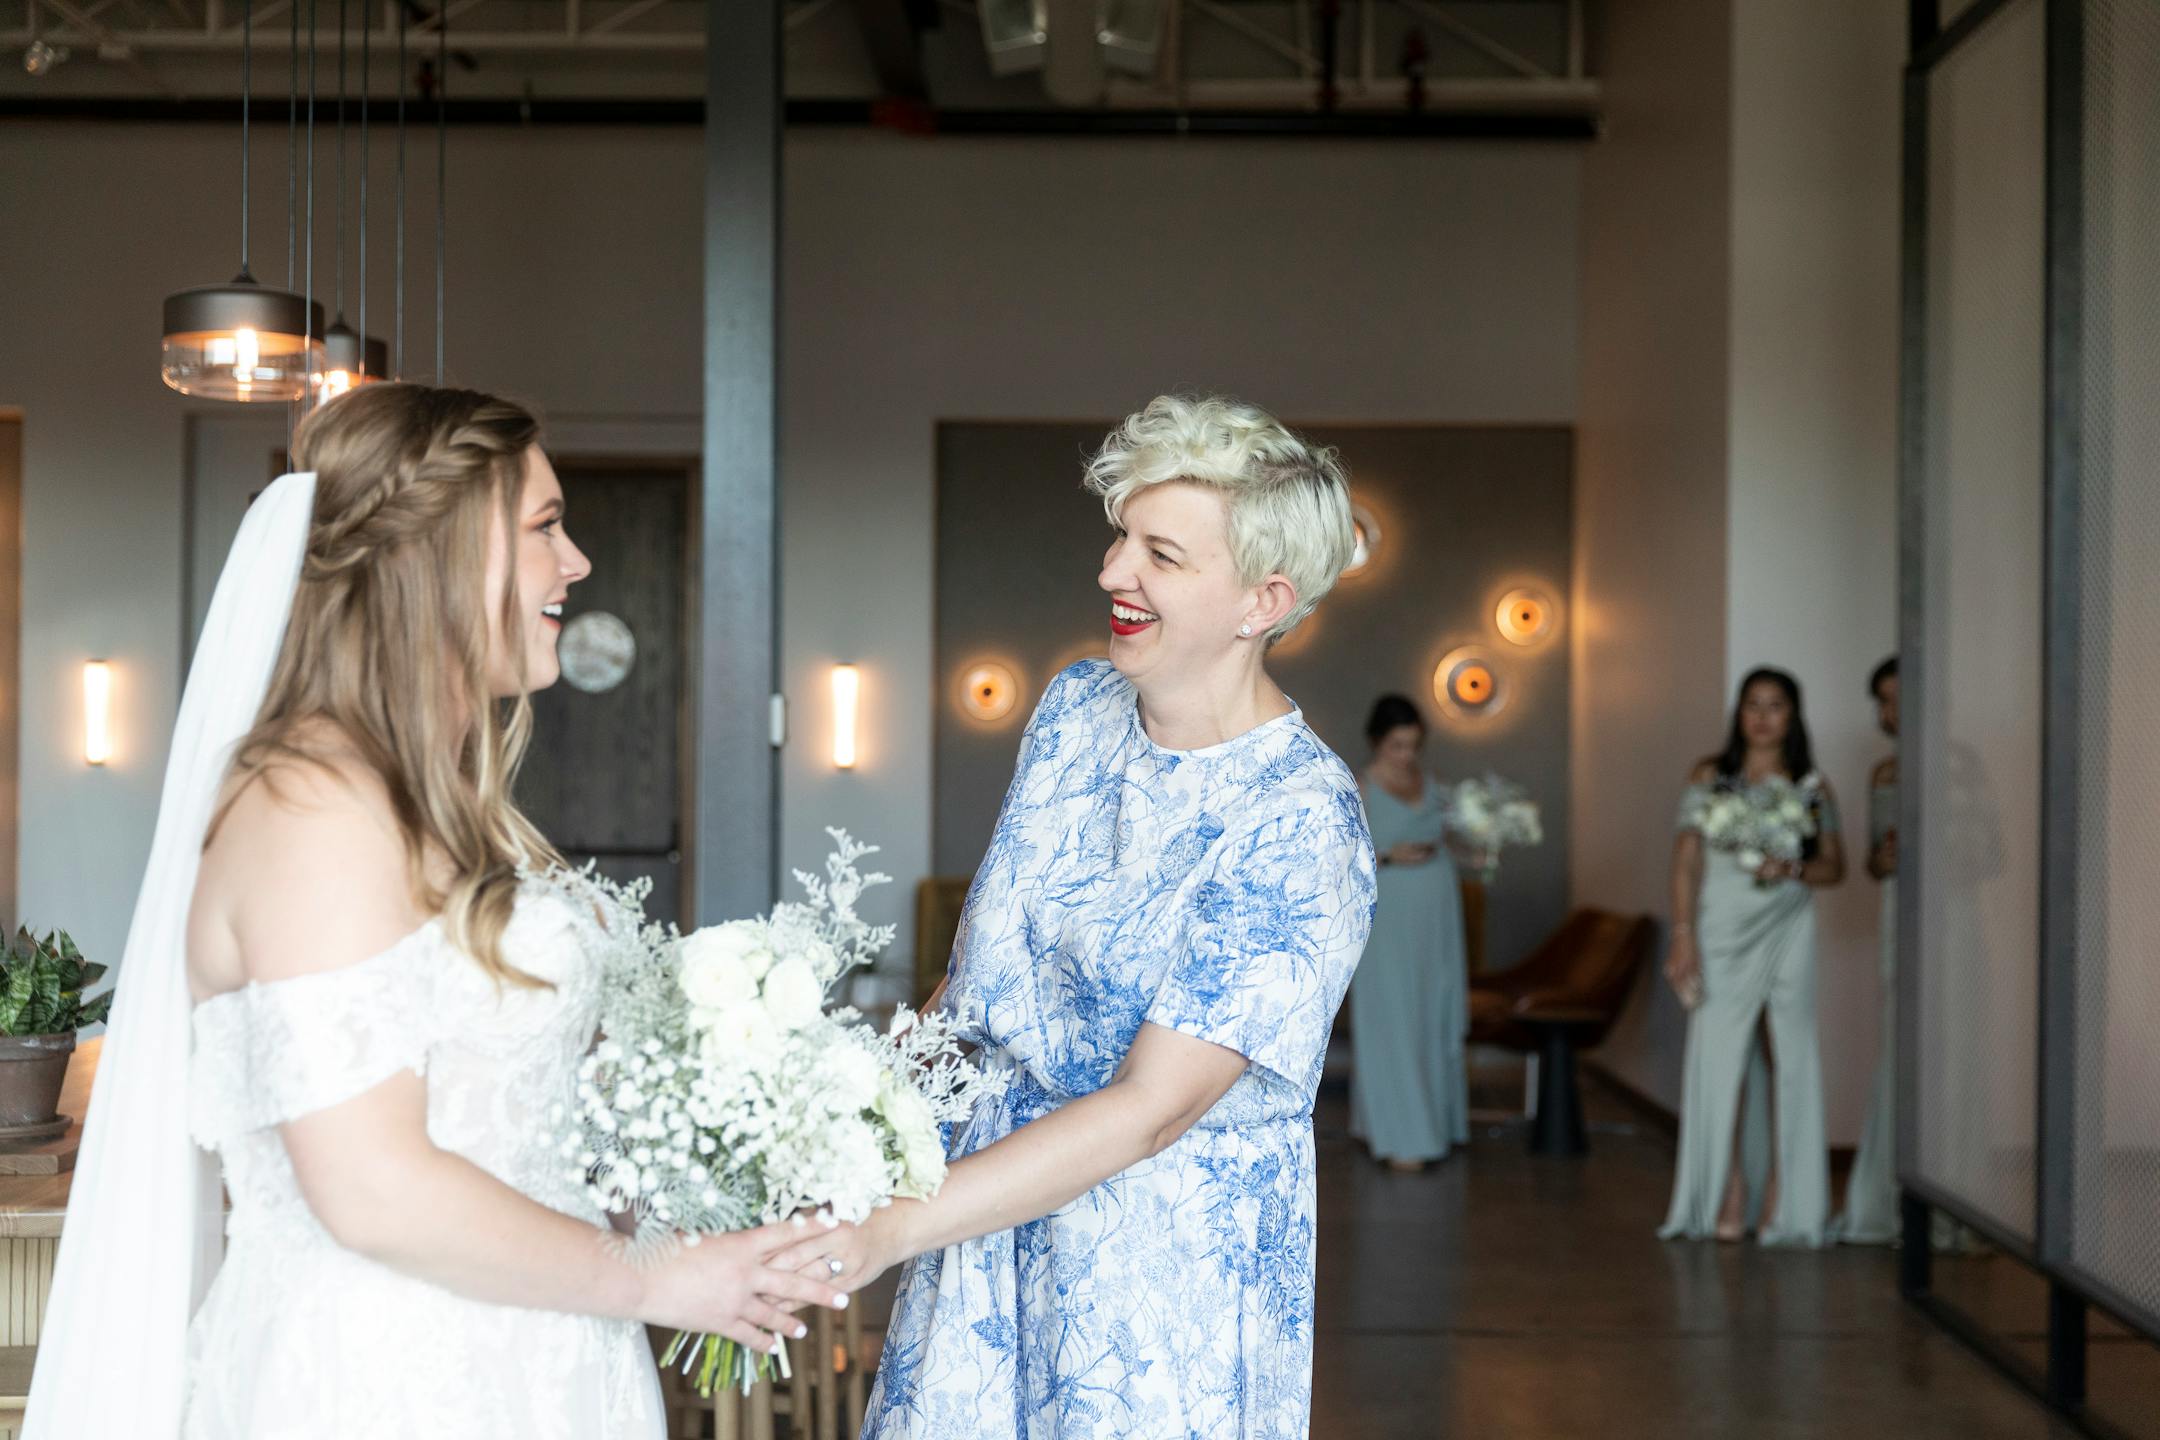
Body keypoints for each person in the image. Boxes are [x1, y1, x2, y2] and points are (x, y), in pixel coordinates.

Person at [25, 385, 842, 1439]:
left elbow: (501, 1107)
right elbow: (369, 1187)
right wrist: (660, 1281)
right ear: (444, 552)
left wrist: (691, 1177)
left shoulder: (453, 810)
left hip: (542, 1362)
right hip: (386, 1381)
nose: (577, 562)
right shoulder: (309, 805)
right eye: (546, 526)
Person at [772, 395, 1375, 1438]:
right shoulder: (1073, 713)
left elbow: (1155, 1108)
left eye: (1161, 554)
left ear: (1261, 601)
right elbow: (973, 987)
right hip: (983, 1222)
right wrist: (841, 1144)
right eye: (1118, 537)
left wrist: (883, 1231)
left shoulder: (1300, 820)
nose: (1112, 573)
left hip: (1156, 1276)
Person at [1659, 667, 1845, 1247]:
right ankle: (1725, 1191)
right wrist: (1683, 933)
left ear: (1793, 715)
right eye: (1753, 705)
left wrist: (1790, 867)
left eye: (1776, 706)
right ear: (1739, 713)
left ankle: (1787, 1202)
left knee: (1791, 1053)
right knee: (1721, 1062)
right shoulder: (1710, 776)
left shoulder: (1813, 785)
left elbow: (1834, 867)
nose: (1763, 717)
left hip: (1788, 922)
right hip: (1720, 928)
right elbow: (1687, 860)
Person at [1349, 693, 1471, 1169]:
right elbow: (1343, 859)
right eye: (1397, 745)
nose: (1406, 755)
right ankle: (1403, 1135)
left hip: (1437, 909)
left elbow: (1452, 840)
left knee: (1432, 1009)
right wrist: (1388, 856)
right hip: (1390, 913)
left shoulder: (1432, 782)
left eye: (1413, 745)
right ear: (1378, 741)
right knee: (1392, 1014)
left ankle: (1440, 1122)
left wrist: (1478, 848)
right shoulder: (1359, 785)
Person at [1836, 657, 1901, 1244]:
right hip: (1901, 915)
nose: (1889, 711)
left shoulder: (1965, 764)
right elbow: (1873, 865)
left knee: (1955, 1050)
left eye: (1897, 696)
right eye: (1882, 700)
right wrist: (1891, 856)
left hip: (1954, 918)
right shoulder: (1885, 772)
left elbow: (1994, 857)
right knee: (1900, 1046)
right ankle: (1889, 1196)